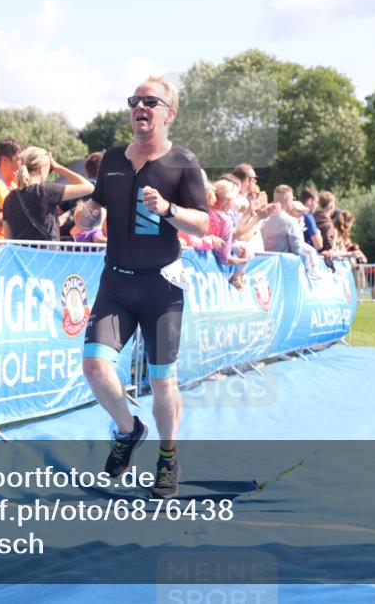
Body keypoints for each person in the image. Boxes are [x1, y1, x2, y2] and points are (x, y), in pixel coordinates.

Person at [80, 76, 209, 500]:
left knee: (162, 381)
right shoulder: (114, 158)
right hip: (115, 282)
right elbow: (96, 205)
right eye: (135, 100)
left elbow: (204, 223)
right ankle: (128, 429)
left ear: (168, 113)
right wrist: (87, 215)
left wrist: (169, 209)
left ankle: (168, 458)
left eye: (150, 101)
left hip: (162, 287)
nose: (140, 107)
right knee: (95, 367)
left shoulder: (183, 162)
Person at [2, 147, 94, 241]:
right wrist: (58, 167)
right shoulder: (46, 191)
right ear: (42, 169)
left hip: (21, 255)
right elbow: (89, 187)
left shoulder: (9, 199)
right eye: (50, 169)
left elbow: (8, 239)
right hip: (47, 254)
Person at [208, 179, 250, 290]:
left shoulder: (199, 210)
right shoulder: (225, 221)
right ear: (228, 200)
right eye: (235, 198)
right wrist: (243, 261)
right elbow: (224, 258)